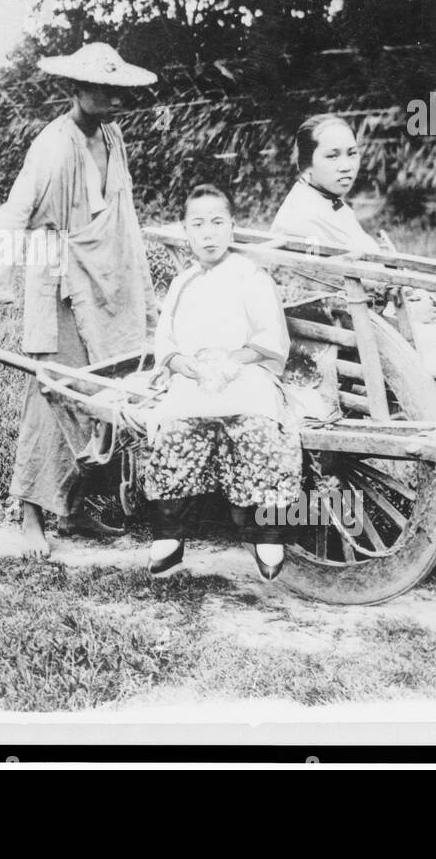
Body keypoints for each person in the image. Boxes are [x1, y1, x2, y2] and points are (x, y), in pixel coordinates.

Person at [0, 42, 159, 557]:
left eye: (117, 89)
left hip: (107, 280)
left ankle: (83, 507)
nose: (110, 98)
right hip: (59, 281)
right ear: (74, 88)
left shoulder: (113, 139)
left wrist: (140, 285)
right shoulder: (52, 145)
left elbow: (123, 215)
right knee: (55, 391)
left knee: (105, 392)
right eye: (99, 88)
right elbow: (9, 218)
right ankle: (30, 514)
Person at [269, 113, 436, 507]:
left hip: (357, 317)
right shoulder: (303, 215)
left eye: (352, 153)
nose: (346, 165)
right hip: (335, 334)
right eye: (332, 156)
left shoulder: (325, 204)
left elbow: (368, 269)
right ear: (306, 163)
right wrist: (402, 299)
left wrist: (406, 295)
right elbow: (341, 284)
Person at [141, 184, 302, 580]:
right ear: (186, 231)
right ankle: (170, 535)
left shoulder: (250, 275)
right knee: (176, 428)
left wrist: (234, 360)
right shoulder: (183, 282)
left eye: (217, 222)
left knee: (260, 429)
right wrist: (182, 364)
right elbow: (166, 339)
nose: (208, 233)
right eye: (198, 224)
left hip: (244, 373)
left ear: (233, 226)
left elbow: (269, 339)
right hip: (195, 378)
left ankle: (268, 533)